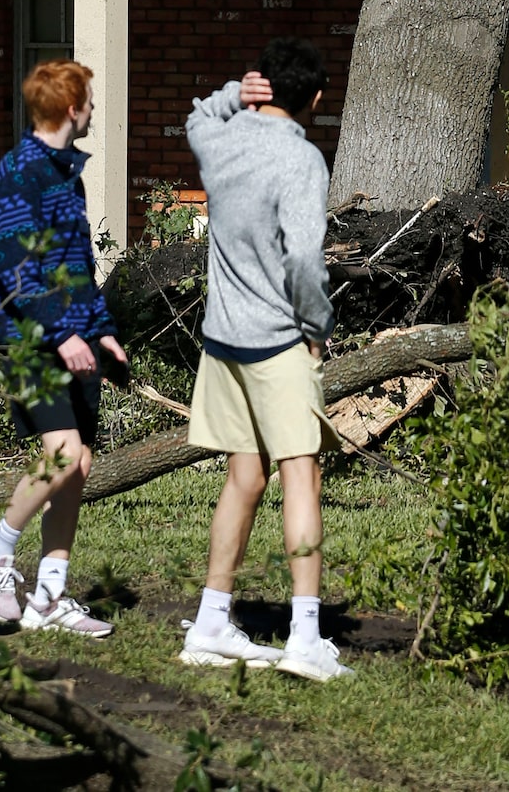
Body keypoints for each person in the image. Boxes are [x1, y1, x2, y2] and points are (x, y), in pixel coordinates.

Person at [180, 37, 353, 681]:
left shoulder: (219, 140)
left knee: (244, 478)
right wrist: (317, 325)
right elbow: (305, 260)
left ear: (262, 87)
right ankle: (305, 639)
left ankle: (210, 622)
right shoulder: (302, 159)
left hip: (221, 339)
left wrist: (232, 93)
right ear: (312, 97)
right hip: (278, 340)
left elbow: (198, 116)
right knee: (301, 478)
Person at [0, 59, 128, 638]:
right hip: (29, 338)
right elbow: (15, 272)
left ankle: (49, 599)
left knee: (78, 464)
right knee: (61, 452)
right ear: (70, 108)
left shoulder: (65, 173)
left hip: (72, 336)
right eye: (89, 100)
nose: (93, 110)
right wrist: (62, 335)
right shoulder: (21, 173)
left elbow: (77, 269)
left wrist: (101, 330)